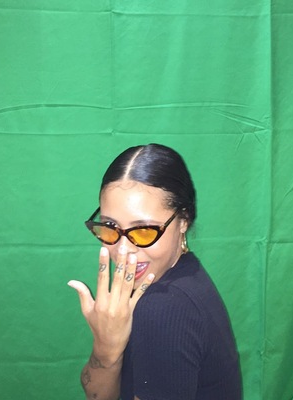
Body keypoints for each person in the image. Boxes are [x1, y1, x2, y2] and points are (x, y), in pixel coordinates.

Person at [68, 143, 242, 400]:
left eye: (144, 230)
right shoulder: (182, 273)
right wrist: (106, 349)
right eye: (110, 226)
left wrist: (108, 349)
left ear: (183, 221)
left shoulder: (164, 305)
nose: (123, 250)